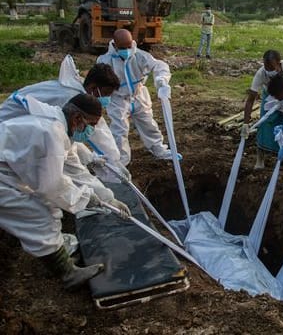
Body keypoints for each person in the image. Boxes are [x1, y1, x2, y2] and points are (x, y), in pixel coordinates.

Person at [0, 94, 131, 289]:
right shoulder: (50, 135)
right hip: (3, 178)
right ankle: (67, 273)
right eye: (91, 124)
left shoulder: (60, 128)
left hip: (9, 170)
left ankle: (59, 254)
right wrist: (87, 199)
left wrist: (108, 198)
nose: (92, 130)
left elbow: (76, 171)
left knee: (47, 208)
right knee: (40, 214)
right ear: (77, 118)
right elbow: (51, 186)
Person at [0, 55, 127, 181]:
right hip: (9, 132)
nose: (107, 99)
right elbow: (99, 135)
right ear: (93, 87)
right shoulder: (70, 99)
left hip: (15, 126)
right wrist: (114, 163)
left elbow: (69, 142)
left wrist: (90, 158)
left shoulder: (73, 94)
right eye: (105, 94)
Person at [97, 29, 178, 166]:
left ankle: (159, 150)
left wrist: (161, 81)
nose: (127, 50)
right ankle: (121, 161)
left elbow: (159, 65)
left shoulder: (139, 55)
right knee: (119, 130)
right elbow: (98, 80)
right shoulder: (105, 60)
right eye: (123, 48)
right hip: (118, 99)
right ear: (115, 46)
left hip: (138, 96)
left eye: (129, 47)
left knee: (149, 125)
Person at [241, 50, 283, 170]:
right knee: (265, 125)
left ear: (279, 64)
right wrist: (245, 123)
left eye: (271, 67)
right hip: (270, 99)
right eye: (266, 67)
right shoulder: (261, 74)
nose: (269, 70)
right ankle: (260, 159)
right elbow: (250, 99)